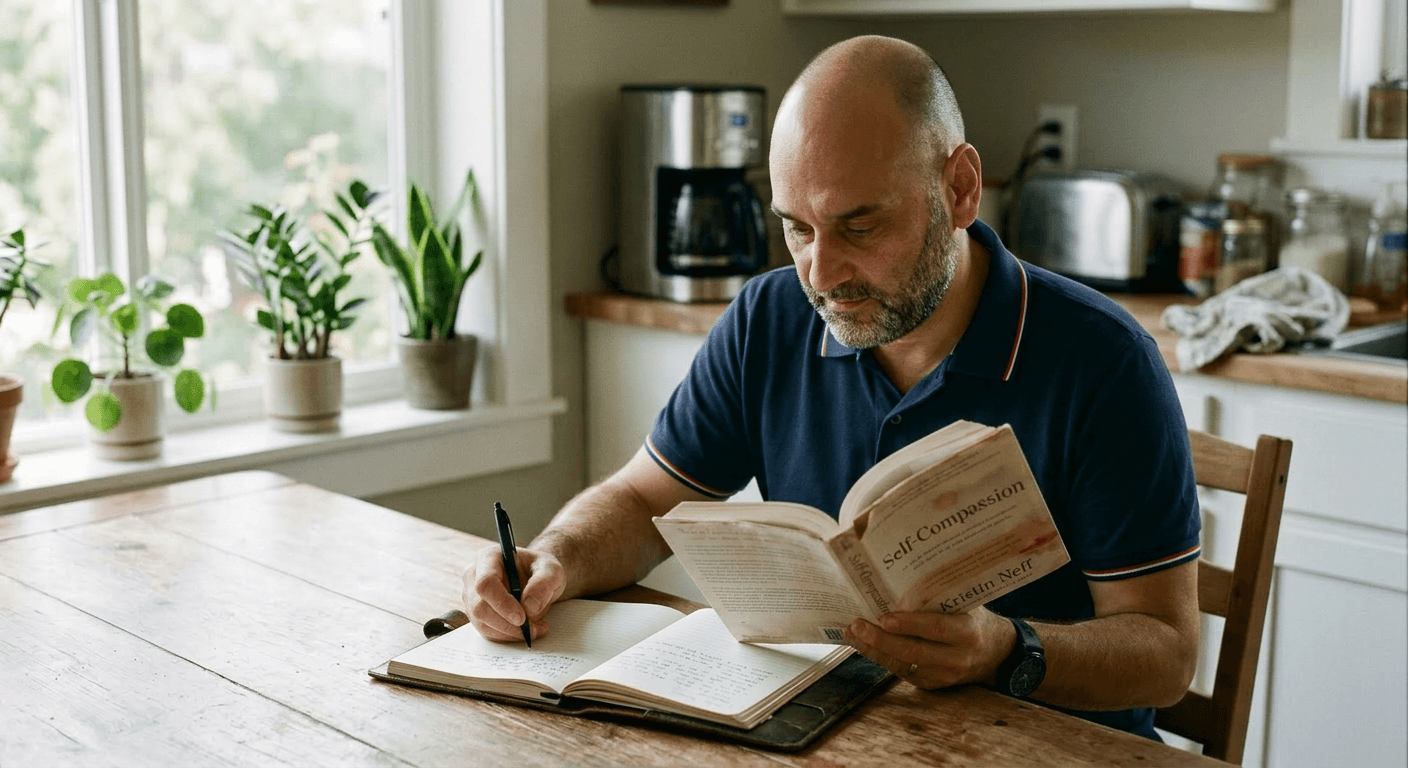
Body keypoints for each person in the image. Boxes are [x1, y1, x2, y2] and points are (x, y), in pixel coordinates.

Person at [463, 35, 1201, 740]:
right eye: (798, 229)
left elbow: (1167, 656)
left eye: (858, 227)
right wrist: (557, 557)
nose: (820, 275)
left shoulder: (1104, 362)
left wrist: (1006, 651)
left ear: (960, 189)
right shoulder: (767, 317)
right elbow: (641, 499)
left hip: (1047, 746)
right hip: (831, 726)